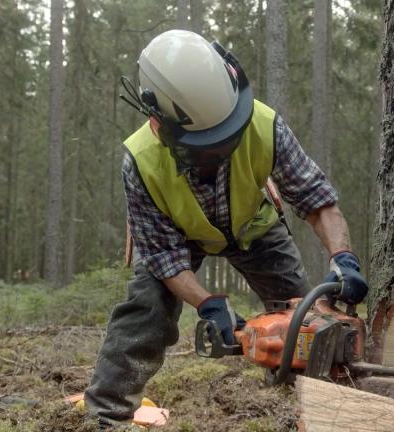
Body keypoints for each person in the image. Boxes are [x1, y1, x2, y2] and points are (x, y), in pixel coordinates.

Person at [84, 29, 369, 428]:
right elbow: (165, 258)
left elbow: (316, 199)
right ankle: (107, 413)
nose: (223, 149)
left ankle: (312, 399)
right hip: (177, 238)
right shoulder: (141, 160)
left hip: (252, 224)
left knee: (303, 316)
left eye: (228, 136)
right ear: (161, 123)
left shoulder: (265, 125)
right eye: (209, 144)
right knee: (146, 308)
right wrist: (207, 303)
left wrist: (343, 258)